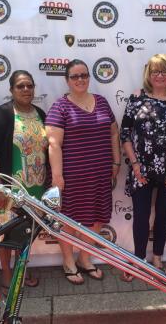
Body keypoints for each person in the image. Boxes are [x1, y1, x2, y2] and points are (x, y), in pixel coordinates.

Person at [120, 54, 166, 281]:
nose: (159, 75)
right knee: (141, 216)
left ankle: (157, 259)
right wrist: (134, 165)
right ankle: (138, 259)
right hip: (141, 168)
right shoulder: (137, 97)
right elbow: (125, 134)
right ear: (148, 75)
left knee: (163, 215)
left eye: (164, 71)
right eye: (155, 71)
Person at [46, 59, 121, 285]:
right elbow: (53, 144)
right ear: (67, 80)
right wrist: (58, 177)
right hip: (72, 177)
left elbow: (113, 134)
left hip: (100, 174)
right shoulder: (60, 107)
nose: (80, 80)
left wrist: (116, 163)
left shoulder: (102, 102)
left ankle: (85, 258)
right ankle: (68, 261)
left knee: (97, 218)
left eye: (84, 75)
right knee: (68, 220)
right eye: (75, 76)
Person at [0, 70, 47, 295]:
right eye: (20, 86)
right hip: (7, 187)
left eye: (29, 85)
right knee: (5, 231)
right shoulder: (1, 115)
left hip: (34, 188)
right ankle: (7, 274)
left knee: (26, 231)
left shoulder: (40, 114)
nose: (26, 90)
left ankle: (21, 269)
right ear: (11, 90)